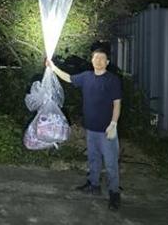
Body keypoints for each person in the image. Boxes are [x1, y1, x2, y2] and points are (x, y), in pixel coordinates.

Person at [49, 49, 122, 211]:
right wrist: (53, 68)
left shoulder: (112, 80)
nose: (99, 61)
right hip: (91, 129)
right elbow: (68, 78)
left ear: (107, 62)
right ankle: (93, 185)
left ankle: (114, 194)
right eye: (96, 58)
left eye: (102, 58)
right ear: (92, 60)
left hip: (107, 130)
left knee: (110, 164)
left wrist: (114, 124)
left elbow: (117, 103)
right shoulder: (86, 77)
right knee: (93, 159)